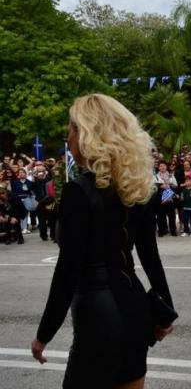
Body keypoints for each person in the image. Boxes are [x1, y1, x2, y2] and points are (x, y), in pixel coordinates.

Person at [31, 94, 175, 388]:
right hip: (136, 309)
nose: (68, 137)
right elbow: (150, 256)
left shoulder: (78, 192)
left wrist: (43, 334)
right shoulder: (139, 187)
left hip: (96, 315)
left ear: (86, 134)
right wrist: (164, 311)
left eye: (71, 128)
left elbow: (67, 271)